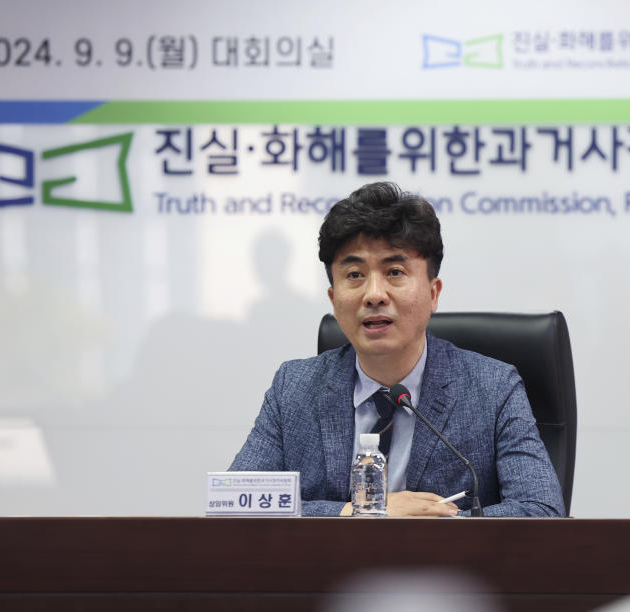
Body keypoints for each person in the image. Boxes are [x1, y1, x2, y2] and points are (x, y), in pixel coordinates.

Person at [230, 182, 564, 517]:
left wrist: (429, 527)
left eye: (394, 272)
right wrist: (361, 512)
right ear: (333, 300)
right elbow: (235, 503)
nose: (374, 294)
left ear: (433, 293)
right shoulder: (294, 388)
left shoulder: (492, 389)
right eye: (355, 274)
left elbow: (542, 510)